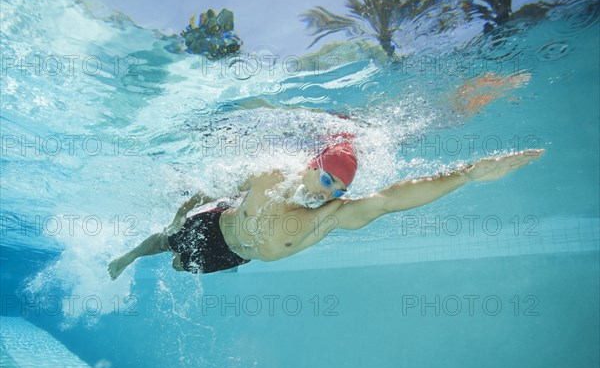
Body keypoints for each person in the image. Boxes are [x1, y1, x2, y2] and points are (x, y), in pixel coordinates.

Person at [107, 134, 545, 279]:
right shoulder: (270, 175)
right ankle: (128, 255)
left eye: (336, 189)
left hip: (235, 254)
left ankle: (170, 255)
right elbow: (205, 189)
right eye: (325, 179)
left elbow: (390, 200)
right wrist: (178, 215)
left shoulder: (328, 218)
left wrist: (468, 174)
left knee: (183, 269)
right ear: (310, 165)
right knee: (168, 245)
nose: (327, 194)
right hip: (215, 225)